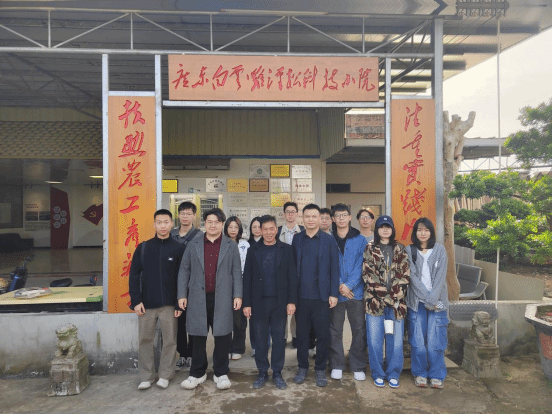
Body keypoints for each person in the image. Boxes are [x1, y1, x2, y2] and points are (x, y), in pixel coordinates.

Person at [178, 208, 242, 390]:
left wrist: (237, 295)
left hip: (222, 297)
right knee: (197, 336)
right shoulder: (194, 244)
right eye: (209, 222)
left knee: (222, 335)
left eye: (217, 222)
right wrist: (182, 295)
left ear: (222, 224)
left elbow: (236, 272)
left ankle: (221, 373)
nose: (213, 225)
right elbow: (184, 270)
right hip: (197, 297)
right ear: (204, 223)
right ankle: (197, 373)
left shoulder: (230, 245)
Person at [129, 209, 185, 390]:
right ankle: (146, 376)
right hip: (146, 304)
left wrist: (179, 303)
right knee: (145, 340)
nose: (162, 226)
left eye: (166, 222)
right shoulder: (144, 247)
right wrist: (136, 300)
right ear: (154, 224)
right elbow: (134, 275)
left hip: (169, 305)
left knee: (170, 341)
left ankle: (165, 374)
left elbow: (182, 278)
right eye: (159, 222)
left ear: (171, 224)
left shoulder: (178, 248)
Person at [242, 215, 298, 390]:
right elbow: (247, 278)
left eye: (271, 229)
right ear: (260, 230)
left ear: (276, 229)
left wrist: (291, 301)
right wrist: (246, 304)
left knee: (279, 340)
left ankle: (277, 373)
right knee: (260, 341)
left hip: (279, 303)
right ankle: (262, 372)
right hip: (258, 303)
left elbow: (292, 277)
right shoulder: (253, 250)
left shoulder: (286, 249)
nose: (268, 232)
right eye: (264, 229)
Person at [292, 204, 339, 388]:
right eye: (307, 216)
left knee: (322, 335)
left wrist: (333, 293)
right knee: (302, 335)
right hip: (301, 297)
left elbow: (334, 268)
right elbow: (292, 268)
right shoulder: (297, 239)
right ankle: (302, 367)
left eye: (314, 216)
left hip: (322, 297)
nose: (310, 220)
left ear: (320, 219)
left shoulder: (329, 240)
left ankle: (320, 369)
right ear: (302, 219)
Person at [363, 215, 410, 389]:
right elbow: (368, 275)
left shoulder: (400, 249)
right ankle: (378, 373)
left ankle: (393, 373)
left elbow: (405, 275)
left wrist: (393, 297)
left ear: (392, 229)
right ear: (377, 230)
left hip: (396, 305)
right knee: (374, 341)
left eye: (388, 226)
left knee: (395, 341)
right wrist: (384, 296)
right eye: (381, 226)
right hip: (375, 303)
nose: (385, 229)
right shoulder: (370, 248)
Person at [406, 218, 449, 389]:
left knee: (435, 341)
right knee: (417, 341)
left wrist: (432, 299)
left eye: (426, 230)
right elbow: (412, 277)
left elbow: (441, 276)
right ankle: (420, 373)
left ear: (431, 232)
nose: (423, 233)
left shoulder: (440, 250)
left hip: (438, 303)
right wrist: (426, 298)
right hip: (416, 303)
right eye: (419, 230)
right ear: (415, 232)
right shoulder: (409, 250)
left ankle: (437, 375)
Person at [329, 204, 368, 382]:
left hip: (355, 292)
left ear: (350, 217)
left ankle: (357, 365)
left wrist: (349, 285)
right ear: (333, 219)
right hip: (336, 293)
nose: (341, 218)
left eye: (344, 215)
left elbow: (362, 264)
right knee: (334, 330)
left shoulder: (360, 240)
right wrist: (340, 285)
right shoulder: (329, 239)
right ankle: (337, 364)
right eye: (338, 215)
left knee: (358, 330)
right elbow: (328, 265)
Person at [171, 201, 202, 371]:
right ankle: (182, 354)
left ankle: (192, 354)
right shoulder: (171, 234)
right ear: (178, 215)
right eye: (182, 213)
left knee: (194, 321)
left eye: (188, 213)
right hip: (174, 284)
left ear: (194, 216)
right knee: (179, 322)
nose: (185, 216)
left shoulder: (199, 236)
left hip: (194, 284)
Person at [277, 201, 306, 349]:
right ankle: (281, 337)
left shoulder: (303, 231)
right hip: (280, 275)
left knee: (296, 307)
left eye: (293, 211)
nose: (290, 214)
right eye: (287, 211)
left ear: (297, 214)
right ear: (284, 214)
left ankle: (295, 336)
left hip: (299, 274)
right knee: (281, 307)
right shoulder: (276, 231)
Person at [224, 216, 250, 361]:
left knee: (239, 319)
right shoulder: (222, 243)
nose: (233, 230)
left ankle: (238, 348)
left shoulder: (245, 244)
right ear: (226, 228)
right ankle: (226, 347)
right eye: (230, 227)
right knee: (225, 319)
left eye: (236, 227)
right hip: (225, 286)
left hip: (241, 284)